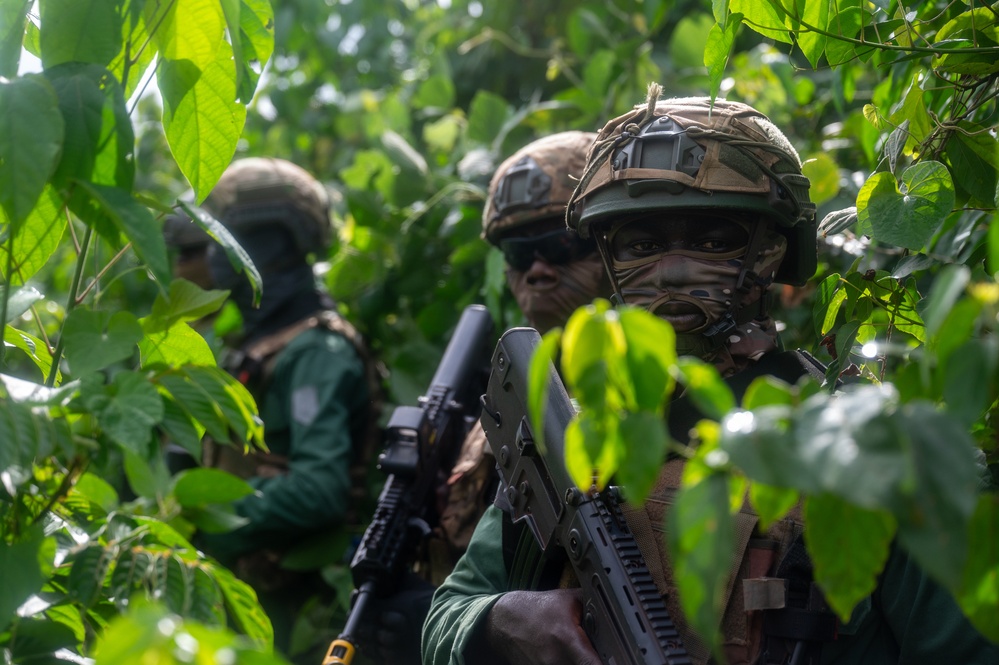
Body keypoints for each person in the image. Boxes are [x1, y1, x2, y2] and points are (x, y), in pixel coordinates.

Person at [422, 90, 999, 665]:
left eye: (711, 241)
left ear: (773, 250)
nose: (671, 270)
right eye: (642, 245)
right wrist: (502, 621)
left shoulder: (883, 449)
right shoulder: (579, 434)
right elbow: (449, 613)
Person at [355, 131, 610, 665]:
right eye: (520, 254)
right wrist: (435, 617)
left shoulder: (636, 396)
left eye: (562, 246)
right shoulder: (503, 400)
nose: (538, 270)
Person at [187, 157, 382, 663]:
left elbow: (319, 491)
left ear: (267, 242)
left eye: (224, 236)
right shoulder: (262, 342)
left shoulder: (315, 352)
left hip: (305, 617)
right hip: (255, 603)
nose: (213, 253)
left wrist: (205, 516)